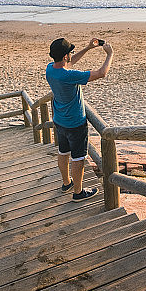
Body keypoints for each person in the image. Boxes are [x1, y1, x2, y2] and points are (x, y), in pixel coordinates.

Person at [46, 37, 113, 201]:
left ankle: (66, 183)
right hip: (75, 123)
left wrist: (88, 48)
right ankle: (78, 192)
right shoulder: (69, 75)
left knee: (63, 152)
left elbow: (68, 62)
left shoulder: (50, 69)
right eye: (70, 52)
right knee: (78, 158)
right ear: (65, 56)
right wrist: (110, 54)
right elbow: (102, 73)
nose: (71, 55)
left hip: (60, 120)